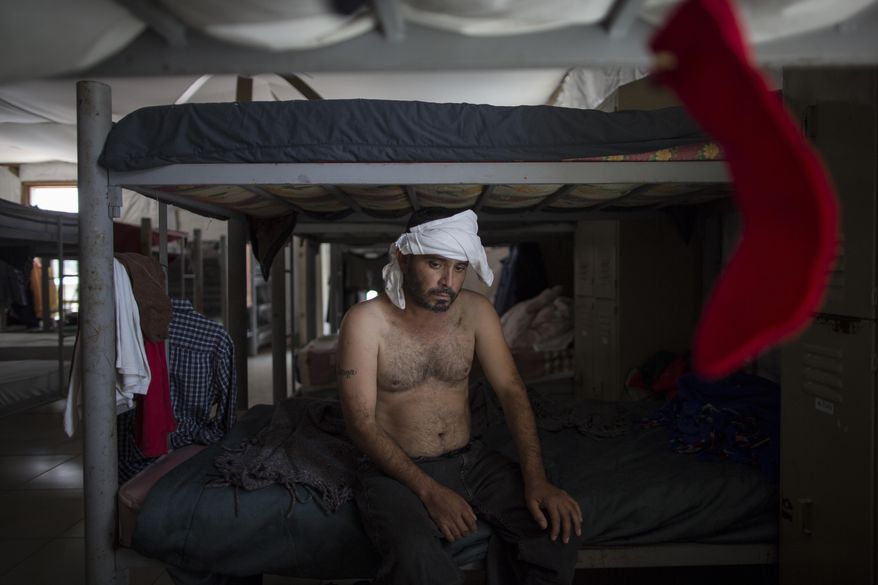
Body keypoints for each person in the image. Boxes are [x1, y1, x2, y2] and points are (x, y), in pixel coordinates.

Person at [337, 207, 582, 585]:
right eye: (435, 264)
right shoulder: (365, 322)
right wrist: (430, 492)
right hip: (396, 473)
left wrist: (536, 479)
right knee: (417, 557)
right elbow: (360, 423)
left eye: (458, 268)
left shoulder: (477, 311)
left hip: (472, 462)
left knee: (553, 530)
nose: (447, 282)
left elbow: (511, 391)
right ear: (404, 258)